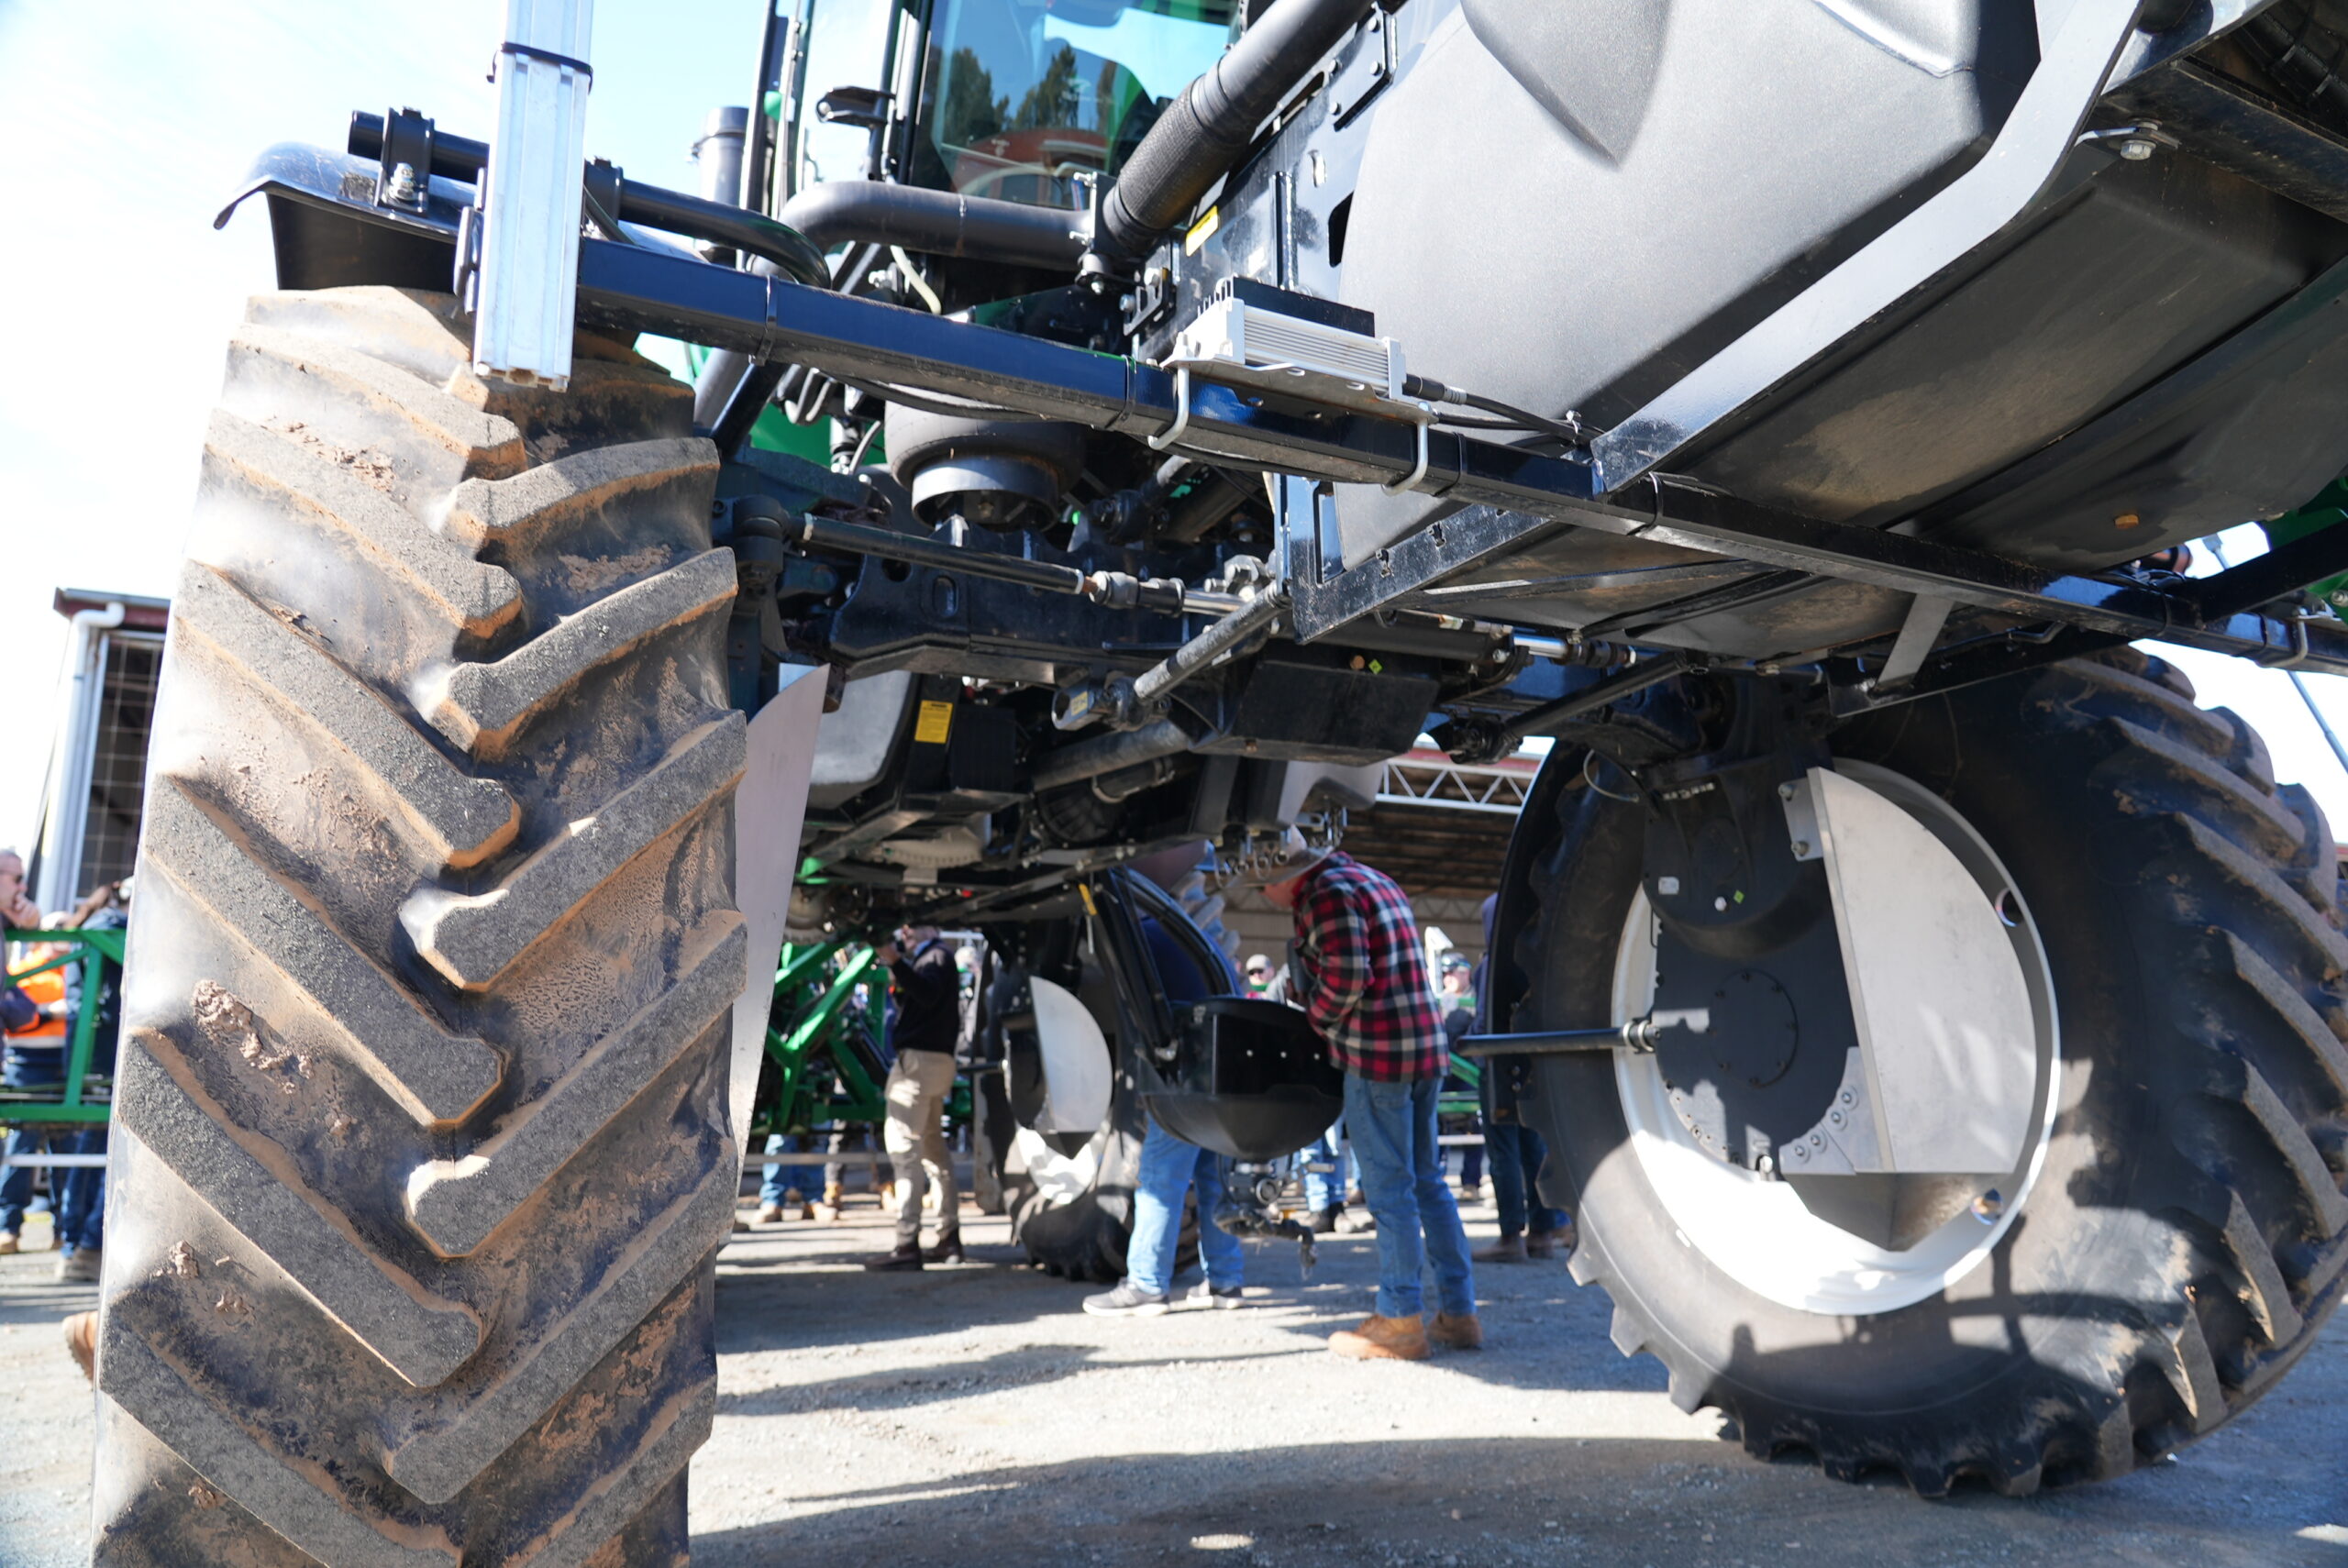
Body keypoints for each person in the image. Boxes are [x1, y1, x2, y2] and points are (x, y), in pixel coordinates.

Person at [1251, 833, 1479, 1360]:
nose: (1263, 894)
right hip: (1423, 1049)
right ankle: (1459, 1313)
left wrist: (1312, 1015)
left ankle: (1400, 1320)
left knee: (1390, 1190)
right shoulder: (1372, 879)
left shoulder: (1324, 894)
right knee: (1428, 1183)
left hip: (1379, 1057)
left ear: (1284, 874)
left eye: (1263, 884)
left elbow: (1350, 976)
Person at [1084, 918, 1246, 1317]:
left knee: (1160, 1180)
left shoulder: (1135, 937)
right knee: (1215, 1180)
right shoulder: (1192, 935)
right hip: (1224, 1071)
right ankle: (1225, 1281)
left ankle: (1146, 1284)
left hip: (1186, 1076)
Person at [1467, 900, 1571, 1262]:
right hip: (1533, 1064)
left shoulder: (1490, 966)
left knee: (1503, 1152)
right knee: (1534, 1147)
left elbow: (1483, 1021)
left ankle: (1510, 1236)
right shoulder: (1539, 960)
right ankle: (1542, 1233)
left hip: (1497, 1062)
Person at [863, 925, 964, 1270]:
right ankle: (949, 1238)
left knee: (905, 1151)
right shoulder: (939, 956)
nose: (905, 929)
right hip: (936, 1063)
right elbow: (923, 999)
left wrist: (895, 961)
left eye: (913, 923)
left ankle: (907, 1244)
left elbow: (927, 994)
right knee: (934, 1151)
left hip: (918, 1064)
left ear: (932, 927)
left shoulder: (935, 956)